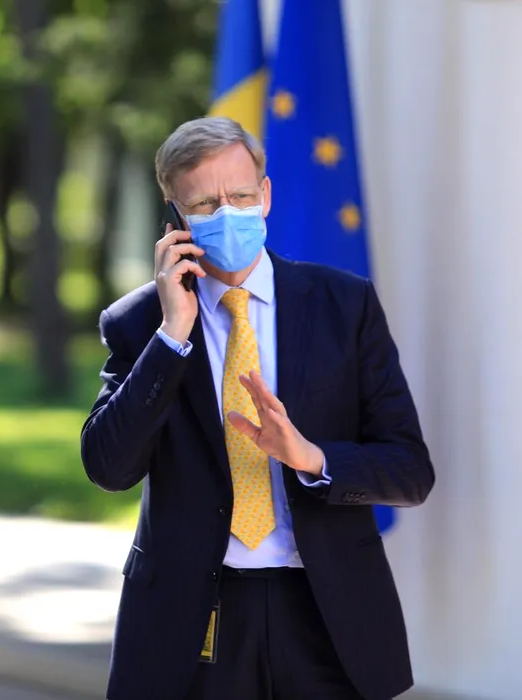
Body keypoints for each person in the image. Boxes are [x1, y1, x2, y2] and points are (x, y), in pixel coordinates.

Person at [80, 117, 434, 700]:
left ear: (265, 196)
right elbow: (108, 468)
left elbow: (410, 470)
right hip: (196, 618)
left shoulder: (344, 305)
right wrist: (172, 335)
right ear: (175, 219)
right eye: (205, 203)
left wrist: (311, 457)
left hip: (326, 613)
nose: (228, 213)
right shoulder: (139, 323)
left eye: (241, 196)